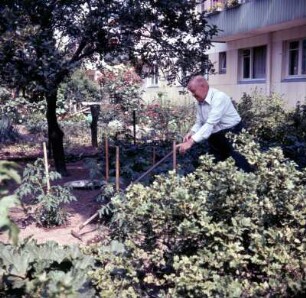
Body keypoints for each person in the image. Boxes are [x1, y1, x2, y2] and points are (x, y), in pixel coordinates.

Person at [177, 75, 253, 172]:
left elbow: (210, 124)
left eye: (194, 91)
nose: (193, 95)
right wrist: (191, 132)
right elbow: (200, 122)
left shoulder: (219, 98)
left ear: (203, 86)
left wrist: (191, 142)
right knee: (217, 167)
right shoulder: (200, 102)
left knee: (241, 165)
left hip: (233, 134)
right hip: (216, 136)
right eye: (191, 92)